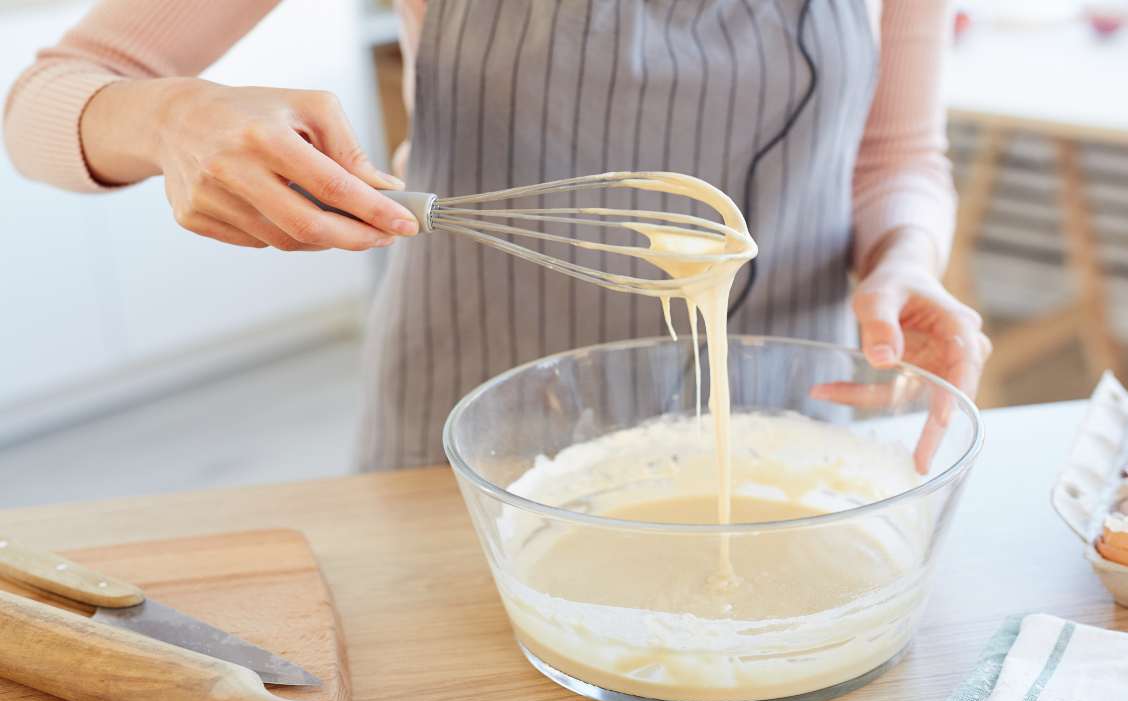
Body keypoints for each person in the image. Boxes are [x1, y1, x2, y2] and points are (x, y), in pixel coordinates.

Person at [5, 0, 990, 470]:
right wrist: (172, 117)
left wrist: (902, 259)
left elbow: (893, 157)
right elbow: (45, 99)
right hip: (476, 449)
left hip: (777, 434)